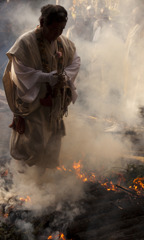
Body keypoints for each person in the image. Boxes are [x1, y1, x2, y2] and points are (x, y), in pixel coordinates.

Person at [2, 4, 81, 172]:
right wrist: (46, 77)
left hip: (55, 104)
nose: (57, 33)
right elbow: (19, 72)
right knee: (33, 144)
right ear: (42, 22)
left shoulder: (63, 43)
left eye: (62, 29)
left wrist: (64, 76)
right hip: (34, 104)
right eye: (53, 29)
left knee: (52, 143)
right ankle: (25, 182)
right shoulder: (25, 42)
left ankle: (44, 181)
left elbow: (75, 61)